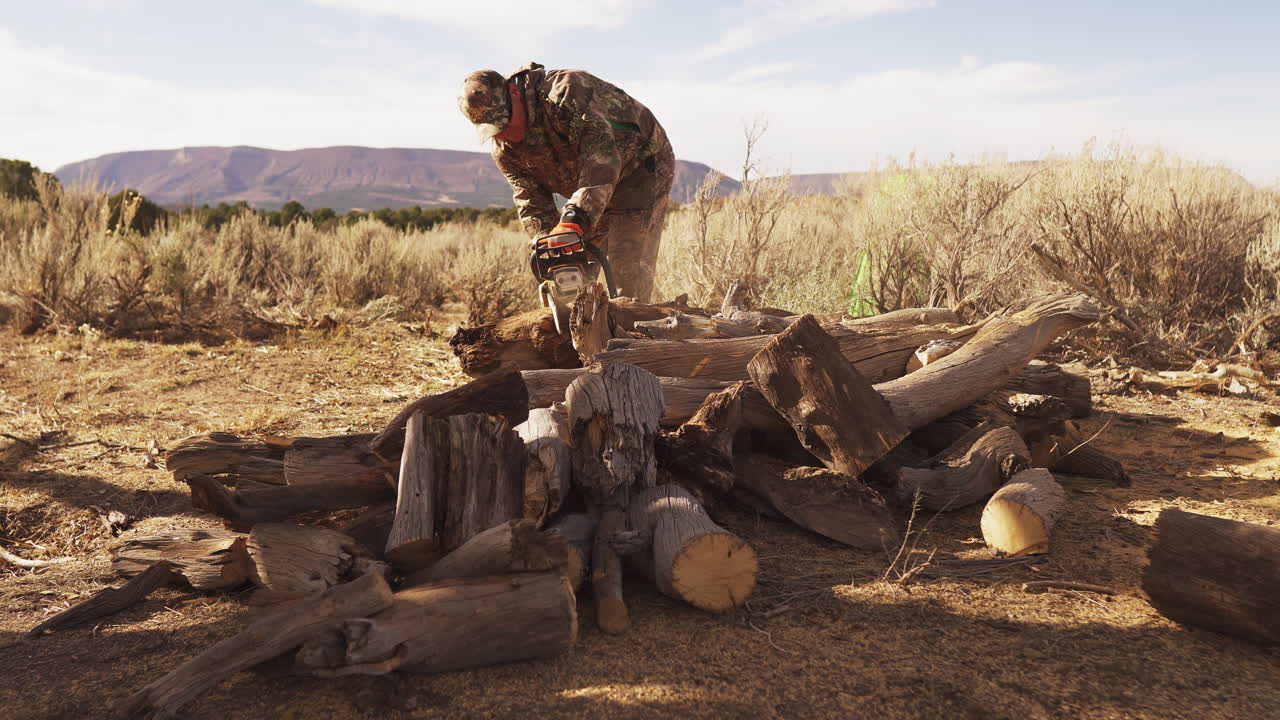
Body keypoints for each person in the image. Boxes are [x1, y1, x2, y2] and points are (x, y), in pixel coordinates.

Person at [457, 62, 674, 302]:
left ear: (514, 92)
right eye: (494, 128)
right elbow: (531, 202)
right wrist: (548, 247)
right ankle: (585, 332)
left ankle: (635, 332)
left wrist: (574, 219)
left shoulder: (566, 94)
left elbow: (601, 160)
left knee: (627, 272)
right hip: (588, 185)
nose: (503, 133)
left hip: (640, 163)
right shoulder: (504, 150)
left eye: (504, 121)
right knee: (574, 273)